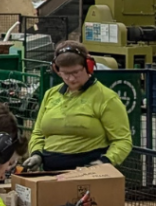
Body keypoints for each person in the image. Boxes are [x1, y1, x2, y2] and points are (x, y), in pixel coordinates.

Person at [27, 41, 133, 172]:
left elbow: (122, 140)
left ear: (88, 67)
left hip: (88, 174)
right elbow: (38, 133)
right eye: (65, 73)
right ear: (57, 70)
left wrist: (105, 162)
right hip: (50, 173)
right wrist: (36, 154)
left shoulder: (106, 98)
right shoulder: (51, 95)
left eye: (76, 72)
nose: (71, 79)